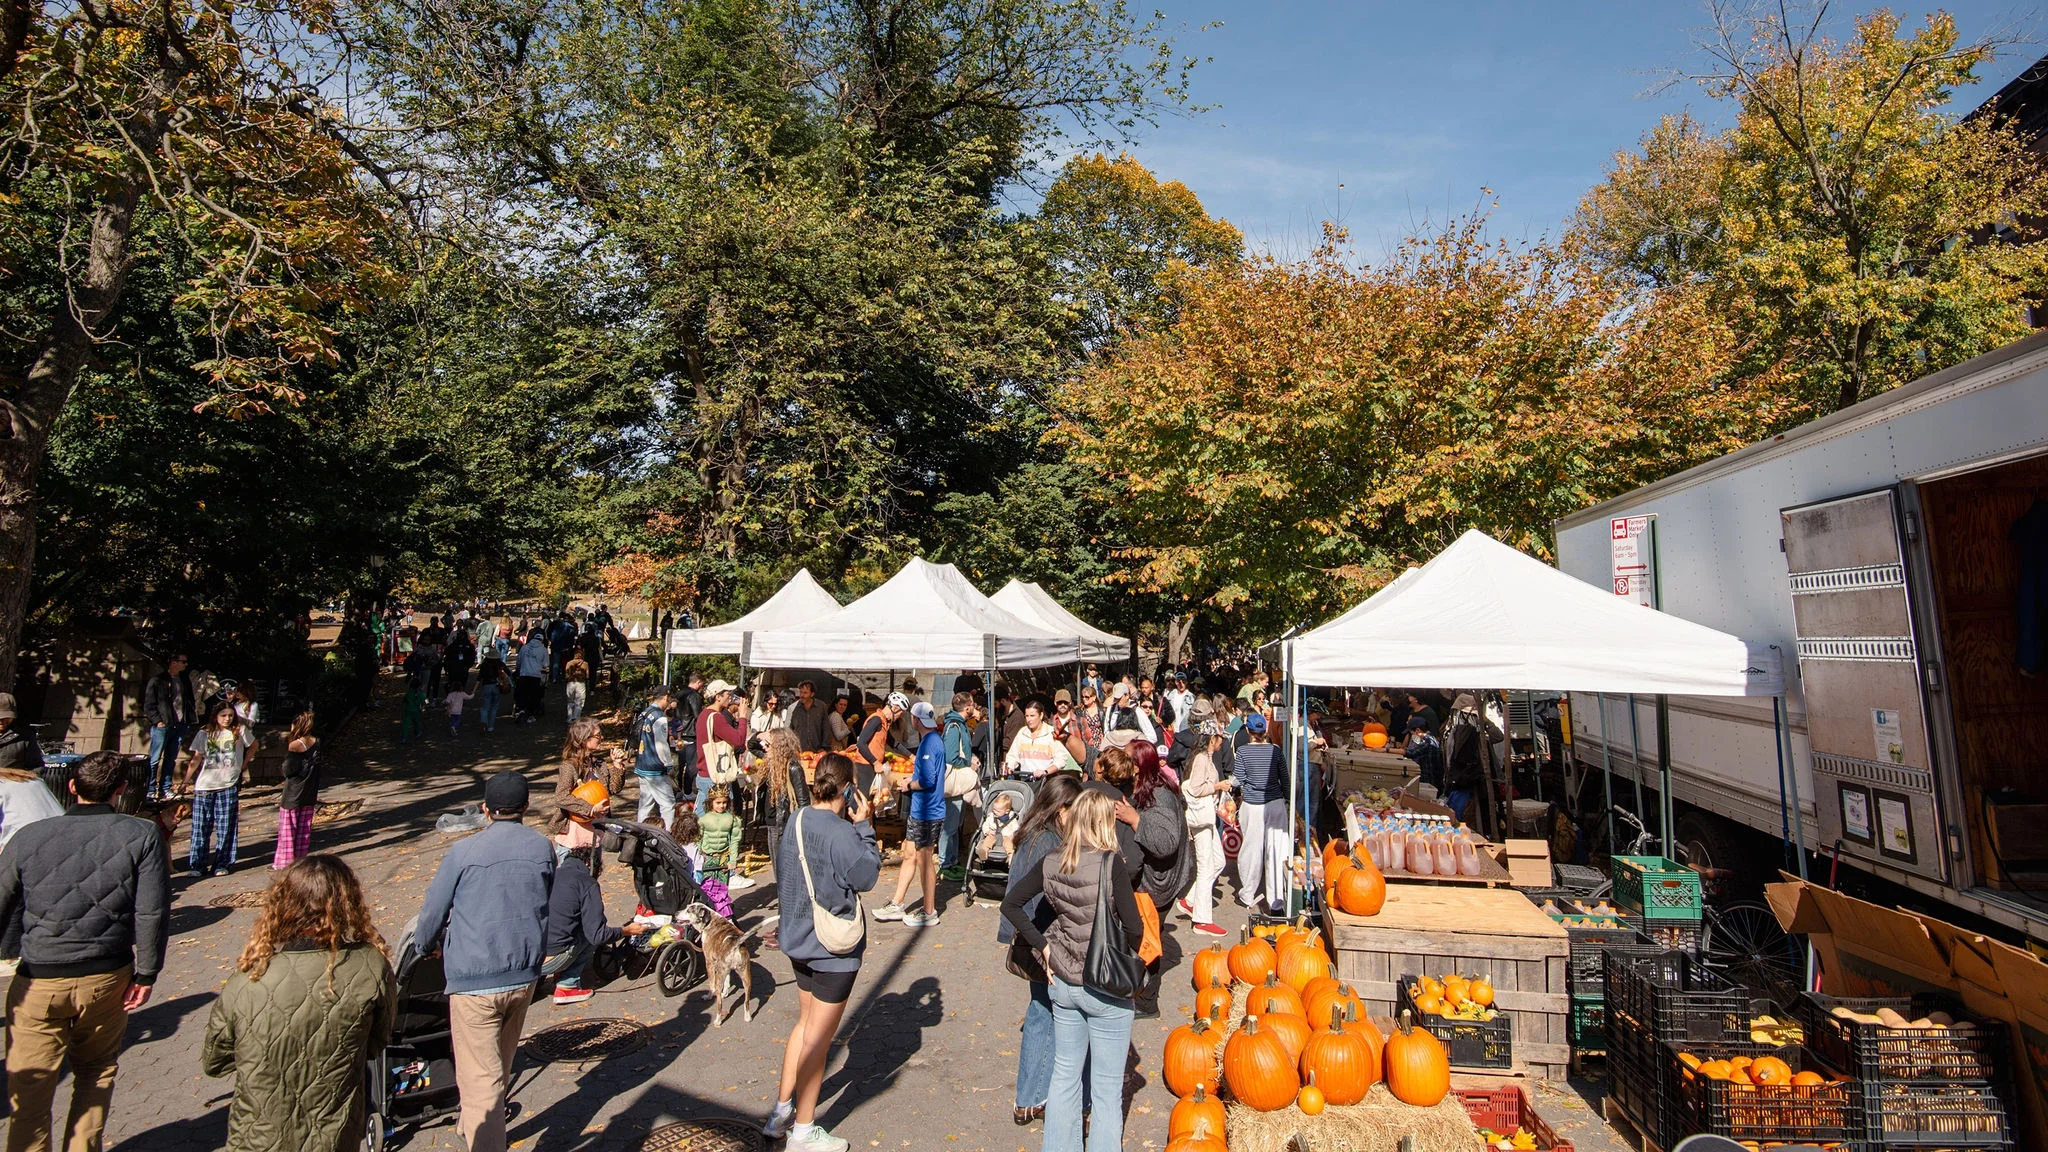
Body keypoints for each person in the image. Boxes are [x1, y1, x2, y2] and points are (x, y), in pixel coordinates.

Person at [0, 750, 169, 1152]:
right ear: (121, 790)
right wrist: (147, 972)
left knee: (30, 1089)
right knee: (95, 1073)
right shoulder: (140, 834)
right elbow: (152, 911)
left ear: (72, 787)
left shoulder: (28, 837)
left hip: (38, 977)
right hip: (107, 976)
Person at [201, 855, 397, 1152]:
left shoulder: (247, 981)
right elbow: (377, 1042)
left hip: (259, 1138)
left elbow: (215, 1061)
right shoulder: (370, 966)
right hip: (335, 1134)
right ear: (349, 902)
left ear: (283, 904)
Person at [414, 772, 554, 1152]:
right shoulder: (542, 848)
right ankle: (472, 1124)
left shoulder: (462, 853)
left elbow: (431, 915)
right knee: (500, 1065)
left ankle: (484, 1138)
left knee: (481, 1078)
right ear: (525, 807)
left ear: (486, 810)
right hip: (523, 972)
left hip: (474, 977)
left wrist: (426, 945)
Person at [1000, 789, 1143, 1152]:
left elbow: (1012, 903)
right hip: (1106, 985)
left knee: (1064, 1077)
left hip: (1064, 981)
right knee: (1107, 1090)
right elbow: (1135, 927)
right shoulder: (1112, 865)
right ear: (1104, 823)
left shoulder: (1052, 859)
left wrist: (1044, 946)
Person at [762, 754, 878, 1152]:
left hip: (799, 940)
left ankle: (781, 1111)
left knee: (805, 1024)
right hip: (832, 951)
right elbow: (866, 877)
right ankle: (804, 1129)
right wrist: (866, 828)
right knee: (818, 1039)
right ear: (848, 789)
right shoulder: (842, 832)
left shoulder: (796, 820)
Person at [997, 773, 1083, 1127]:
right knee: (1050, 1014)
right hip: (1042, 938)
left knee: (1039, 1012)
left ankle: (1027, 1098)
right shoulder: (1049, 843)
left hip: (1028, 935)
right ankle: (1039, 1096)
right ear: (1062, 810)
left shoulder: (1030, 832)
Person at [1096, 739, 1187, 1016]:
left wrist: (1135, 819)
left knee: (1147, 940)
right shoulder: (1139, 786)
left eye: (1126, 758)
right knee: (1141, 935)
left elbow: (1165, 843)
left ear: (1137, 767)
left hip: (1159, 882)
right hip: (1149, 880)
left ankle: (1147, 1002)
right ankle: (1135, 992)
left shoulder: (1159, 795)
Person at [544, 843, 649, 1005]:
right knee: (588, 934)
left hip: (530, 957)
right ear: (589, 864)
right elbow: (597, 935)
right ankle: (567, 985)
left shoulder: (551, 875)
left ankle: (539, 980)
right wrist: (626, 930)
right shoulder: (586, 882)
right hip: (553, 958)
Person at [875, 702, 946, 927]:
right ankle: (897, 903)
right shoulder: (932, 740)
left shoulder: (929, 744)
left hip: (928, 811)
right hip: (921, 810)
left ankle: (929, 910)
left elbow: (927, 780)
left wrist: (908, 784)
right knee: (909, 853)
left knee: (925, 858)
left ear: (916, 720)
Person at [180, 701, 254, 877]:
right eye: (223, 715)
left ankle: (223, 863)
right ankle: (197, 864)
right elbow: (196, 758)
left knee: (226, 826)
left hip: (227, 784)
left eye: (230, 715)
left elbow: (253, 746)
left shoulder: (239, 731)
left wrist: (243, 765)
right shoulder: (205, 733)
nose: (227, 719)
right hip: (205, 785)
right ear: (216, 716)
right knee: (200, 827)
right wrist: (185, 781)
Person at [1177, 712, 1231, 937]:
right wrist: (1218, 787)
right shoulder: (1201, 759)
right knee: (1206, 865)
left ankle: (1190, 901)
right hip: (1201, 819)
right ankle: (1202, 919)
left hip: (1207, 818)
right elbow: (1197, 788)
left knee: (1218, 862)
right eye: (1220, 737)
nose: (1222, 741)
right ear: (1212, 739)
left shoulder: (1205, 757)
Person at [1230, 713, 1287, 912]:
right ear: (1265, 731)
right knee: (1276, 851)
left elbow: (1238, 779)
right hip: (1276, 803)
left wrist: (1227, 784)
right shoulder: (1276, 751)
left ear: (1248, 731)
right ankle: (1276, 899)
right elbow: (1285, 779)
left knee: (1251, 850)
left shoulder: (1243, 752)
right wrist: (1287, 800)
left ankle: (1247, 893)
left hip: (1253, 804)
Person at [549, 718, 626, 862]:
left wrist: (617, 765)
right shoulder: (569, 766)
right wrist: (590, 809)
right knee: (569, 877)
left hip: (595, 831)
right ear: (584, 739)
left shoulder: (598, 763)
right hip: (574, 832)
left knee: (591, 876)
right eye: (598, 736)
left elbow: (613, 789)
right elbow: (561, 797)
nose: (601, 738)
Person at [937, 692, 981, 881]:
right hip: (953, 782)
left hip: (958, 782)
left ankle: (952, 861)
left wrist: (969, 757)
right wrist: (968, 764)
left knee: (955, 824)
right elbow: (950, 756)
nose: (974, 707)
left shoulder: (959, 724)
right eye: (972, 704)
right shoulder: (955, 727)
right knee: (950, 825)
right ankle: (945, 863)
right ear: (967, 707)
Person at [272, 711, 321, 870]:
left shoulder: (295, 745)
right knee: (303, 829)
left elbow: (288, 769)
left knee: (288, 829)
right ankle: (300, 859)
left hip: (293, 792)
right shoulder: (316, 742)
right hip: (309, 791)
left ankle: (284, 862)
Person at [1445, 693, 1502, 826]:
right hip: (1464, 777)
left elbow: (1498, 737)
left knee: (1477, 813)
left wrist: (1485, 721)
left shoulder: (1479, 731)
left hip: (1476, 777)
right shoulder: (1455, 729)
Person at [143, 654, 195, 800]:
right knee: (154, 759)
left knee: (171, 758)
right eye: (182, 662)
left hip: (179, 724)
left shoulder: (184, 680)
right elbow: (149, 704)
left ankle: (165, 788)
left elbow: (189, 700)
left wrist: (188, 720)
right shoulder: (158, 680)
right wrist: (158, 721)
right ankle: (150, 789)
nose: (185, 665)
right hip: (163, 724)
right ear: (173, 663)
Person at [756, 728, 808, 868]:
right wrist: (761, 735)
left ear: (778, 746)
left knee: (784, 870)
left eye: (768, 745)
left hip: (783, 824)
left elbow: (804, 802)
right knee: (778, 868)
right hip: (772, 823)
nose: (764, 748)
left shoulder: (793, 768)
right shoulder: (770, 763)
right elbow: (751, 745)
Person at [695, 680, 748, 813]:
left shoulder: (703, 715)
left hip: (704, 773)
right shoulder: (716, 718)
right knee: (722, 820)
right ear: (718, 697)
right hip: (716, 777)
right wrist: (742, 717)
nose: (729, 696)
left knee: (702, 819)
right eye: (727, 693)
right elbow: (739, 740)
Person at [632, 685, 680, 829]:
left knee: (646, 803)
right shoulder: (660, 717)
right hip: (655, 766)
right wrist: (668, 764)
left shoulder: (645, 713)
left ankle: (640, 831)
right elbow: (661, 744)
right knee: (668, 803)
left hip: (642, 763)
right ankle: (667, 835)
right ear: (665, 697)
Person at [849, 692, 905, 809]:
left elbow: (893, 742)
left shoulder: (884, 722)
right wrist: (875, 762)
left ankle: (866, 826)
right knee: (862, 803)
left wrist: (911, 756)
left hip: (872, 767)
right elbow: (861, 743)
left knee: (870, 803)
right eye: (900, 712)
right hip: (864, 767)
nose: (900, 716)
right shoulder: (876, 720)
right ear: (894, 708)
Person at [1003, 699, 1080, 778]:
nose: (1029, 719)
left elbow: (1061, 759)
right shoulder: (1022, 733)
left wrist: (1046, 771)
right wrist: (1009, 766)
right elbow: (1013, 755)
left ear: (1041, 715)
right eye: (1027, 716)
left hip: (1046, 781)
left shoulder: (1051, 732)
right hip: (1026, 781)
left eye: (1032, 716)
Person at [699, 784, 747, 890]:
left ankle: (722, 906)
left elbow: (735, 840)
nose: (721, 806)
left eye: (724, 802)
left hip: (723, 858)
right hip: (708, 858)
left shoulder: (731, 819)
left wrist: (733, 860)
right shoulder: (703, 819)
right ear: (711, 802)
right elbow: (698, 840)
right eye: (718, 803)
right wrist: (698, 858)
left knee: (722, 888)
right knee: (708, 888)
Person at [0, 694, 41, 777]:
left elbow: (36, 767)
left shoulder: (25, 737)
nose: (1, 720)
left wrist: (22, 778)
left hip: (12, 787)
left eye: (6, 717)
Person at [1402, 716, 1444, 793]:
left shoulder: (1428, 741)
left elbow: (1411, 753)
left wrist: (1386, 750)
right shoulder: (1427, 739)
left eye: (1412, 733)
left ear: (1418, 730)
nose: (1412, 736)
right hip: (1427, 779)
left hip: (1430, 781)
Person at [787, 680, 831, 753]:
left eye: (805, 693)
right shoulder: (793, 708)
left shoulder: (821, 707)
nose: (802, 695)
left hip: (817, 750)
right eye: (801, 692)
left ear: (812, 694)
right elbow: (789, 729)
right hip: (799, 751)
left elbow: (826, 727)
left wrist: (825, 747)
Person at [515, 630, 549, 722]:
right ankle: (531, 714)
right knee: (533, 695)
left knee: (522, 693)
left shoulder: (524, 648)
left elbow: (518, 661)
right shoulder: (543, 650)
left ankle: (521, 710)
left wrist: (519, 669)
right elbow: (546, 664)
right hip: (535, 675)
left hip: (524, 673)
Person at [475, 652, 509, 735]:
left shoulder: (484, 665)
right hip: (497, 686)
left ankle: (483, 722)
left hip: (486, 686)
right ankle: (490, 726)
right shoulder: (500, 664)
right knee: (494, 707)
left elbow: (479, 678)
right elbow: (509, 673)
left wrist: (474, 689)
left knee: (485, 707)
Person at [563, 653, 590, 723]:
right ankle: (576, 717)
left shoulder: (569, 663)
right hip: (581, 683)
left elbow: (566, 675)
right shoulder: (585, 664)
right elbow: (587, 676)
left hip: (570, 683)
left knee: (570, 701)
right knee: (580, 701)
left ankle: (569, 718)